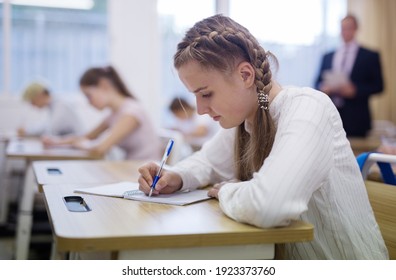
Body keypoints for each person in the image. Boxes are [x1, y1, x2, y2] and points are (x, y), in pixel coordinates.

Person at [137, 15, 388, 259]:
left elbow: (269, 206)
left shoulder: (308, 108)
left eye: (206, 94)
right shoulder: (248, 118)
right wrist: (176, 176)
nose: (200, 109)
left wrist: (228, 191)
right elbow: (206, 163)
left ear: (245, 75)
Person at [43, 66, 161, 160]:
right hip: (130, 167)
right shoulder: (114, 115)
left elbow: (100, 149)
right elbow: (87, 136)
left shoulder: (132, 112)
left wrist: (81, 144)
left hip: (143, 173)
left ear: (104, 85)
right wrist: (56, 142)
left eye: (89, 95)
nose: (89, 102)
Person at [315, 14, 384, 137]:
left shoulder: (370, 56)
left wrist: (355, 90)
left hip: (357, 118)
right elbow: (317, 82)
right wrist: (324, 88)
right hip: (331, 116)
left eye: (349, 27)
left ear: (356, 29)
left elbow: (379, 86)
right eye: (343, 28)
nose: (345, 31)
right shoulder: (328, 56)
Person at [17, 81, 84, 137]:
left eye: (32, 101)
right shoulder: (54, 106)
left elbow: (50, 130)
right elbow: (45, 126)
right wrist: (27, 131)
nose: (32, 105)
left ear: (40, 95)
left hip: (77, 150)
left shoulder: (61, 106)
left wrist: (28, 132)